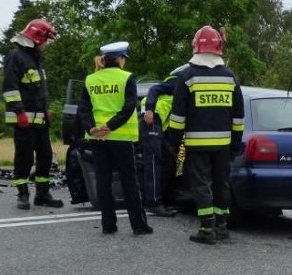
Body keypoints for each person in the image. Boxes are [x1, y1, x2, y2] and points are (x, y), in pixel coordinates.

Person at [167, 26, 244, 244]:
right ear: (218, 48)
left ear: (196, 48)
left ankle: (206, 229)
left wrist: (173, 143)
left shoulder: (187, 76)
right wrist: (235, 144)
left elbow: (178, 116)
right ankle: (221, 226)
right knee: (222, 184)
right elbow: (238, 117)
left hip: (197, 144)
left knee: (201, 185)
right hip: (224, 144)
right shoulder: (230, 78)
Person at [79, 41, 153, 235]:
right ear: (120, 59)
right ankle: (139, 225)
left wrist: (93, 128)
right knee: (129, 181)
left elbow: (83, 110)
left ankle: (108, 225)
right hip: (120, 137)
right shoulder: (127, 78)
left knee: (103, 181)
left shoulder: (90, 79)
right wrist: (110, 127)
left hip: (97, 139)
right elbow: (129, 108)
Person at [2, 18, 64, 210]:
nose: (46, 45)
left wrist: (45, 110)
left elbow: (37, 90)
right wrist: (19, 112)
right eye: (45, 40)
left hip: (39, 120)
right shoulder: (16, 56)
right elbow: (10, 88)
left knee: (45, 156)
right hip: (23, 120)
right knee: (24, 157)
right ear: (37, 38)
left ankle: (42, 193)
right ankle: (22, 194)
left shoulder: (35, 58)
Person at [139, 65, 187, 217]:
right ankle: (152, 203)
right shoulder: (177, 81)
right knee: (153, 161)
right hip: (152, 117)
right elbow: (154, 89)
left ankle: (164, 200)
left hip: (162, 124)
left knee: (168, 162)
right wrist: (150, 109)